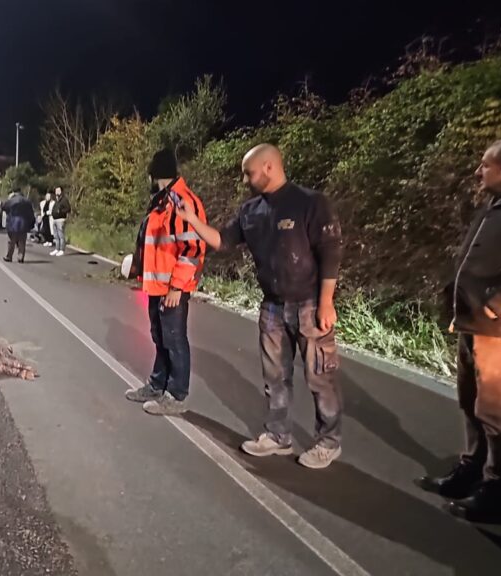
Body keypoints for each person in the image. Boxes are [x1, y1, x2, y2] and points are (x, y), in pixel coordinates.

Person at [174, 143, 345, 469]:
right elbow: (222, 241)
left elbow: (331, 253)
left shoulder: (310, 203)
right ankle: (278, 435)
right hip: (273, 308)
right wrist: (191, 219)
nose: (244, 179)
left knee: (321, 378)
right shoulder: (251, 211)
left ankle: (328, 442)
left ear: (269, 167)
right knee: (275, 378)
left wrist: (326, 303)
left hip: (309, 304)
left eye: (248, 172)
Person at [415, 137, 501, 520]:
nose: (478, 171)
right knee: (470, 402)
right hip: (474, 323)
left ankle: (494, 493)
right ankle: (468, 471)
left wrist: (497, 302)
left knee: (496, 412)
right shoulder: (498, 205)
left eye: (485, 165)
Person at [124, 148, 208, 416]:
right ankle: (158, 384)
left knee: (174, 339)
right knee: (160, 337)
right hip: (157, 286)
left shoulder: (181, 201)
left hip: (172, 288)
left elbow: (193, 249)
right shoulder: (162, 202)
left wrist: (177, 287)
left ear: (155, 174)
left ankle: (177, 395)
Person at [2, 190, 36, 263]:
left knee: (11, 241)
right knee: (22, 242)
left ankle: (9, 256)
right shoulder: (27, 202)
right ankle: (20, 257)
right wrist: (31, 224)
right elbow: (31, 214)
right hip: (24, 223)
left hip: (12, 222)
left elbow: (4, 207)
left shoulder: (11, 200)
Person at [50, 186, 71, 256]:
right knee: (56, 236)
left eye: (58, 191)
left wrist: (60, 212)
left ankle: (62, 250)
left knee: (61, 235)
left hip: (61, 219)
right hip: (55, 219)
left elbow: (68, 209)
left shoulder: (64, 199)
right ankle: (57, 249)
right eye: (56, 191)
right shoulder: (56, 200)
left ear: (61, 191)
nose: (57, 192)